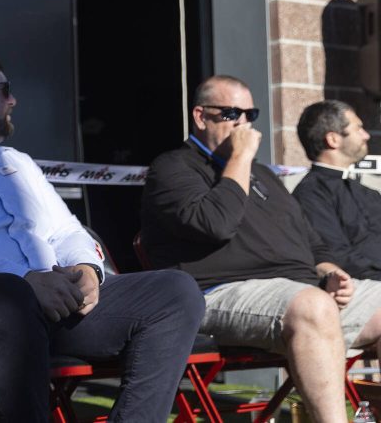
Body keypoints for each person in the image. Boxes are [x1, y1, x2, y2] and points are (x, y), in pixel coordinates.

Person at [0, 52, 205, 423]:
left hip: (49, 303)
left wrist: (88, 268)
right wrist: (25, 280)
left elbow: (68, 229)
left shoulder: (16, 161)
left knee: (176, 291)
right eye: (4, 89)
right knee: (9, 299)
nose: (13, 100)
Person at [142, 75, 381, 423]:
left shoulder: (264, 175)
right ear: (200, 117)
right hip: (216, 291)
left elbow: (311, 241)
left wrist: (329, 271)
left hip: (297, 289)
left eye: (250, 114)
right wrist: (239, 158)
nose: (243, 123)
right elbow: (216, 223)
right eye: (231, 114)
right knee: (311, 306)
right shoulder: (173, 167)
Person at [294, 100, 381, 279]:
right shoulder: (311, 194)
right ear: (333, 139)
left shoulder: (368, 193)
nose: (366, 135)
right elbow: (337, 256)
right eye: (358, 129)